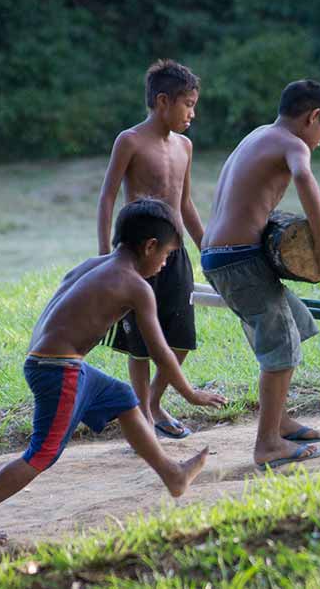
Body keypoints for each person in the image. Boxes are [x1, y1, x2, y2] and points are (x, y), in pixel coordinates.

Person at [0, 199, 227, 548]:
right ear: (149, 246)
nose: (165, 263)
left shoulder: (92, 266)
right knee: (44, 452)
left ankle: (173, 474)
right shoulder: (136, 286)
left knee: (124, 399)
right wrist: (191, 393)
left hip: (53, 362)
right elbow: (160, 351)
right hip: (59, 369)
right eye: (167, 254)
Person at [201, 79, 320, 470]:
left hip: (221, 256)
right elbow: (304, 178)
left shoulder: (258, 136)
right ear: (313, 117)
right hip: (239, 258)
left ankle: (278, 419)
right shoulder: (293, 144)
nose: (319, 142)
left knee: (296, 323)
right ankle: (267, 444)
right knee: (280, 346)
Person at [97, 59, 205, 439]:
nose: (192, 113)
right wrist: (103, 254)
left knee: (182, 337)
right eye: (187, 104)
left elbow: (186, 203)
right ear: (163, 101)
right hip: (137, 255)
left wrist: (204, 246)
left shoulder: (185, 146)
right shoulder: (130, 140)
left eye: (193, 104)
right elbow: (108, 197)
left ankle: (155, 402)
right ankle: (142, 415)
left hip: (174, 253)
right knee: (140, 342)